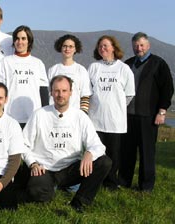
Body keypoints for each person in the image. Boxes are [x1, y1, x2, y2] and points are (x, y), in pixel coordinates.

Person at [22, 75, 111, 212]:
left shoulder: (80, 116)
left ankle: (80, 201)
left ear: (71, 92)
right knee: (38, 194)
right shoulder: (39, 114)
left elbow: (98, 145)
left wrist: (90, 153)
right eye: (56, 91)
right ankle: (51, 187)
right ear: (51, 92)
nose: (60, 95)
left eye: (64, 91)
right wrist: (33, 163)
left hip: (71, 169)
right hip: (45, 169)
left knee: (104, 162)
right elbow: (23, 144)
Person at [118, 32, 174, 192]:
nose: (139, 48)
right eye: (136, 45)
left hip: (148, 116)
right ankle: (124, 181)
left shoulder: (159, 64)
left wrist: (162, 112)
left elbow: (167, 89)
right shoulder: (127, 64)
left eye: (142, 45)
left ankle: (146, 186)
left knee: (147, 152)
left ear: (148, 46)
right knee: (127, 151)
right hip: (128, 115)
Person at [87, 35, 135, 190]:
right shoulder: (94, 67)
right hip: (96, 119)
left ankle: (111, 182)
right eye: (100, 46)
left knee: (114, 153)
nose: (103, 48)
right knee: (96, 152)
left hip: (115, 121)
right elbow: (87, 91)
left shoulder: (123, 69)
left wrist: (116, 106)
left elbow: (129, 94)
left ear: (114, 47)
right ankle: (95, 180)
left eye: (106, 45)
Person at [0, 25, 49, 128]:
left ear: (29, 41)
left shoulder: (38, 63)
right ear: (14, 41)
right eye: (17, 38)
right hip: (11, 116)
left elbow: (43, 90)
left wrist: (45, 114)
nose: (20, 42)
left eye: (23, 38)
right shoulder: (6, 62)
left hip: (33, 116)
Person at [48, 34, 92, 113]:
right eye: (64, 46)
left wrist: (83, 114)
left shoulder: (81, 70)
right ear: (60, 48)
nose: (67, 49)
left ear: (75, 49)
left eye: (71, 46)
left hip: (74, 115)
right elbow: (49, 94)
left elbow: (85, 96)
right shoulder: (53, 70)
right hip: (54, 114)